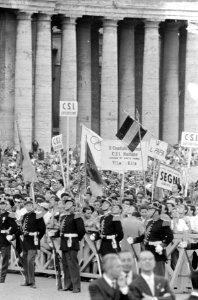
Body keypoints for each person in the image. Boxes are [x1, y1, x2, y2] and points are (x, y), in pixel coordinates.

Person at [127, 202, 173, 276]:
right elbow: (144, 236)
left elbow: (170, 237)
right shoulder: (149, 222)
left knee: (158, 272)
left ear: (157, 212)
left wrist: (162, 245)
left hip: (157, 250)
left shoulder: (164, 222)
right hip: (148, 249)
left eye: (151, 210)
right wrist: (134, 240)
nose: (149, 212)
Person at [50, 198, 85, 293]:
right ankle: (68, 285)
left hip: (72, 242)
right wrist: (54, 234)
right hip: (64, 242)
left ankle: (76, 286)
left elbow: (81, 230)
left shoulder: (76, 216)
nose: (67, 205)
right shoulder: (64, 217)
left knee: (73, 265)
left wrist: (75, 238)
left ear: (74, 206)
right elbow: (61, 230)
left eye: (70, 204)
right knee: (65, 264)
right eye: (66, 204)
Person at [20, 200, 46, 288]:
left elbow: (42, 229)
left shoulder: (37, 215)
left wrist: (37, 237)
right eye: (27, 205)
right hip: (25, 240)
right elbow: (22, 228)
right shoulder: (24, 216)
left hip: (33, 240)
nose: (28, 206)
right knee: (25, 261)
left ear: (33, 206)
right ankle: (27, 280)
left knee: (30, 260)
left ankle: (32, 281)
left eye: (30, 205)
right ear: (25, 207)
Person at [0, 198, 18, 283]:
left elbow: (14, 227)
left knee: (5, 258)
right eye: (1, 203)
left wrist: (9, 233)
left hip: (4, 238)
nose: (2, 205)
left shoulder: (9, 215)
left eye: (4, 204)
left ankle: (2, 277)